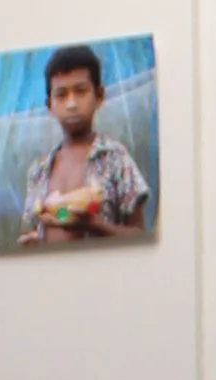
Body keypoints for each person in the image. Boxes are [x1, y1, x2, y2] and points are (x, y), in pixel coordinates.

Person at [20, 45, 151, 244]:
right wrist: (33, 243)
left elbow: (142, 237)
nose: (71, 103)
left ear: (99, 96)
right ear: (50, 106)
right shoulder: (38, 170)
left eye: (80, 91)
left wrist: (95, 226)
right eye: (61, 94)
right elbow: (48, 223)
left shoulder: (115, 158)